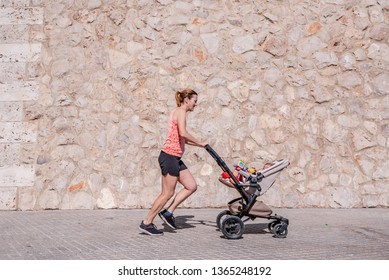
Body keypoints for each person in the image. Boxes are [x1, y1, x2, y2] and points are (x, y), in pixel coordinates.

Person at [139, 88, 208, 236]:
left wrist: (200, 145)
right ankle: (147, 222)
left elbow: (182, 138)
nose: (195, 105)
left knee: (191, 186)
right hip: (169, 156)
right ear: (187, 100)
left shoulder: (178, 112)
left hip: (175, 157)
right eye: (194, 101)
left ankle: (168, 212)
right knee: (167, 193)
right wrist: (200, 142)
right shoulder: (181, 112)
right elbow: (183, 133)